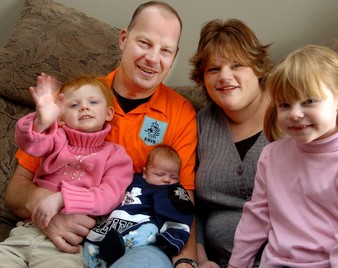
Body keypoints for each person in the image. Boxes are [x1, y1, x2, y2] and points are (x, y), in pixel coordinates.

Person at [5, 1, 197, 268]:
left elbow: (183, 197)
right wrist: (47, 210)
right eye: (144, 43)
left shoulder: (180, 113)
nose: (153, 58)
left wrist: (186, 261)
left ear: (174, 57)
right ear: (123, 39)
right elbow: (16, 189)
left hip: (137, 240)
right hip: (55, 238)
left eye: (165, 50)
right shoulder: (79, 100)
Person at [189, 19, 338, 268]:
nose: (224, 76)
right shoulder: (205, 123)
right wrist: (198, 258)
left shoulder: (319, 110)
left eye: (237, 65)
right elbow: (193, 200)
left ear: (257, 68)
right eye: (213, 69)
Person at [0, 76, 133, 266]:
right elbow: (32, 144)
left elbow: (108, 196)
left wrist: (63, 198)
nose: (84, 107)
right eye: (74, 105)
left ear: (109, 113)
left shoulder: (116, 156)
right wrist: (40, 123)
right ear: (61, 117)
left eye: (93, 102)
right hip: (26, 232)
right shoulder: (57, 139)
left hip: (65, 245)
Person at [84, 144, 195, 268]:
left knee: (150, 230)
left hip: (141, 226)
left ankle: (119, 246)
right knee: (92, 240)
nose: (167, 180)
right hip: (113, 224)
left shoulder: (170, 192)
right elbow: (109, 192)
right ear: (145, 173)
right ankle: (97, 260)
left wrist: (172, 239)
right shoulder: (129, 180)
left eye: (173, 177)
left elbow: (179, 215)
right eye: (159, 174)